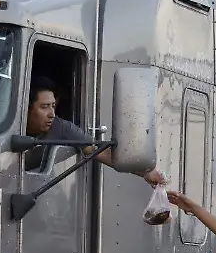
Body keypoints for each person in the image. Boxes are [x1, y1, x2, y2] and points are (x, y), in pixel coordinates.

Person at [26, 76, 164, 185]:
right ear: (27, 107)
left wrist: (146, 172)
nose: (52, 114)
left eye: (53, 106)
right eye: (44, 107)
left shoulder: (61, 127)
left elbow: (100, 151)